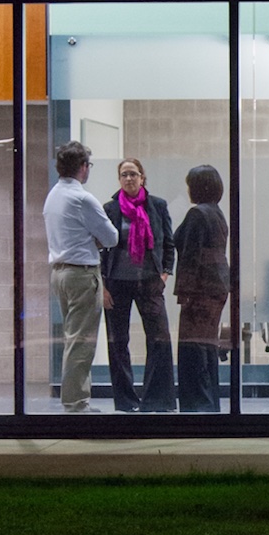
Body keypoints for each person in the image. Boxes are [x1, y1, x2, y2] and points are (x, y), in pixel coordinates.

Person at [43, 140, 119, 413]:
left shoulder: (53, 195)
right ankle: (75, 404)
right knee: (81, 342)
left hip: (60, 273)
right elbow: (111, 236)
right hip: (81, 275)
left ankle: (75, 400)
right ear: (83, 168)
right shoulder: (82, 198)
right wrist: (93, 240)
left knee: (72, 337)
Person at [100, 158, 176, 413]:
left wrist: (165, 273)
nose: (129, 178)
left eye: (133, 174)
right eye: (124, 175)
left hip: (149, 282)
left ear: (142, 177)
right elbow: (100, 249)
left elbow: (168, 243)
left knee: (159, 338)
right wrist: (103, 286)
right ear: (119, 179)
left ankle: (157, 399)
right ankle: (126, 401)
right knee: (118, 342)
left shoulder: (157, 206)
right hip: (116, 284)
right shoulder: (109, 209)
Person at [173, 164, 230, 412]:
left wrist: (183, 291)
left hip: (199, 288)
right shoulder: (217, 213)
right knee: (207, 345)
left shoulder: (197, 214)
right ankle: (209, 401)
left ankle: (197, 403)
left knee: (192, 346)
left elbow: (190, 256)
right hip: (217, 285)